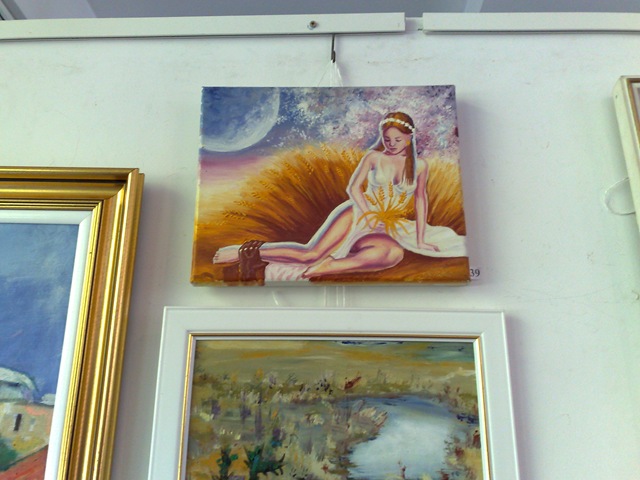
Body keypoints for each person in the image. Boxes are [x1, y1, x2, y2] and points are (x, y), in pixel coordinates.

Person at [213, 112, 466, 281]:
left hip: (389, 225)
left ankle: (330, 266)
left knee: (392, 254)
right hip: (357, 213)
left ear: (410, 138)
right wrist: (368, 213)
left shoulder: (420, 166)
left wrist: (421, 239)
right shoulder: (374, 157)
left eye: (397, 139)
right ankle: (245, 251)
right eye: (387, 139)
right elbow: (353, 188)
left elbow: (421, 201)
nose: (391, 144)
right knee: (310, 254)